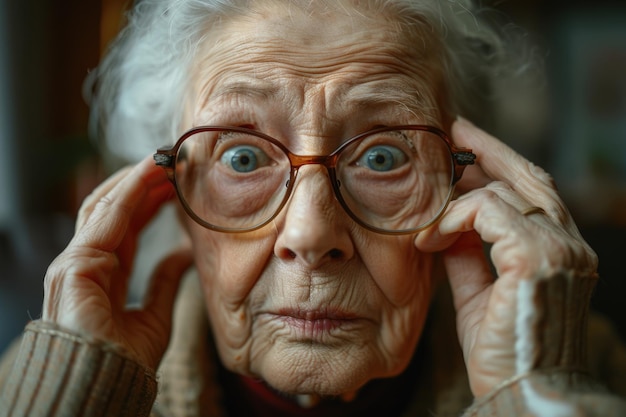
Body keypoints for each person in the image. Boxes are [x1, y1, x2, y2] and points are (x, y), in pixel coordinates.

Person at [1, 0, 625, 416]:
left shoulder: (576, 362)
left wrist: (533, 396)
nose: (310, 233)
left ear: (468, 185)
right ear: (166, 194)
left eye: (383, 157)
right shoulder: (65, 383)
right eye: (242, 158)